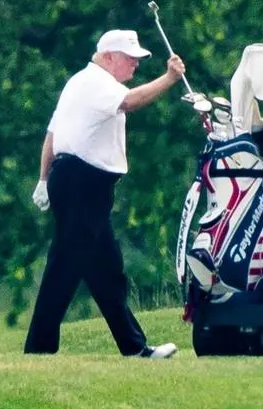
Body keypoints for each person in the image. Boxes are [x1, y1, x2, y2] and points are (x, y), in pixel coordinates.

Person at [25, 29, 185, 358]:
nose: (135, 66)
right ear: (108, 56)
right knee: (65, 266)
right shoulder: (98, 83)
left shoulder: (80, 82)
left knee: (106, 271)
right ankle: (38, 350)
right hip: (81, 182)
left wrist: (44, 179)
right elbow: (130, 102)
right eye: (130, 59)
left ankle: (135, 348)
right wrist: (169, 78)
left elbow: (53, 135)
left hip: (81, 183)